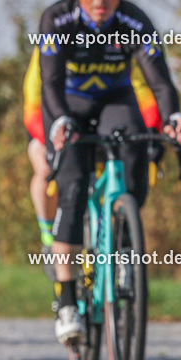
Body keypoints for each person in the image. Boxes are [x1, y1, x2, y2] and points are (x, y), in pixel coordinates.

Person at [39, 0, 181, 345]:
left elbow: (160, 81)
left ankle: (123, 242)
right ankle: (67, 299)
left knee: (136, 147)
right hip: (69, 104)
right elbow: (49, 83)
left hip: (115, 101)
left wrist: (174, 116)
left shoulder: (134, 20)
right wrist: (59, 123)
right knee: (71, 189)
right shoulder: (56, 20)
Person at [23, 45, 160, 282]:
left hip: (105, 123)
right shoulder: (50, 46)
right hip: (54, 125)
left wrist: (151, 133)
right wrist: (53, 138)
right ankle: (48, 236)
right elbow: (33, 105)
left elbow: (143, 95)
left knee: (125, 164)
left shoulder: (115, 49)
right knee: (45, 169)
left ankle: (117, 243)